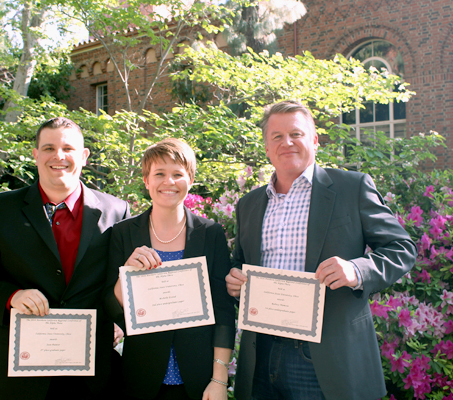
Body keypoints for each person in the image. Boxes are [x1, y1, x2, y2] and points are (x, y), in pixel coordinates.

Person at [225, 101, 417, 400]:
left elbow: (401, 248)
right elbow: (240, 263)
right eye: (276, 136)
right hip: (261, 352)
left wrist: (356, 270)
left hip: (325, 359)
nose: (286, 142)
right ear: (266, 146)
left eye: (296, 134)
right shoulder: (249, 204)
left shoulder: (351, 188)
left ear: (314, 140)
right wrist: (234, 279)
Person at [0, 117, 130, 400]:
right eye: (49, 148)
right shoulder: (2, 208)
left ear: (84, 156)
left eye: (68, 148)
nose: (58, 156)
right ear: (36, 154)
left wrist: (116, 318)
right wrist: (12, 296)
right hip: (23, 374)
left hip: (92, 373)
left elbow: (121, 280)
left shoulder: (116, 211)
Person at [104, 138, 235, 400]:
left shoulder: (211, 233)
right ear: (147, 181)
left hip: (198, 380)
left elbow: (223, 310)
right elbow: (110, 306)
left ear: (190, 180)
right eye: (159, 174)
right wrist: (125, 276)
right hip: (141, 376)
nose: (169, 182)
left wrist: (219, 379)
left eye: (178, 174)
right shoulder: (123, 233)